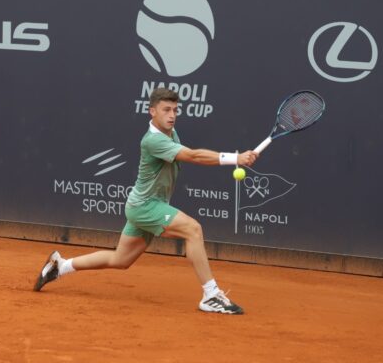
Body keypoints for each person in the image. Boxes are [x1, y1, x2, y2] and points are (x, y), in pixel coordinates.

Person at [34, 88, 258, 314]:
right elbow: (193, 156)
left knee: (120, 260)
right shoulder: (152, 141)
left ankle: (60, 266)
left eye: (175, 110)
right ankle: (211, 294)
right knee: (193, 230)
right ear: (152, 111)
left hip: (141, 206)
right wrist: (235, 158)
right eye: (166, 110)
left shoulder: (171, 133)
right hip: (146, 207)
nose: (172, 115)